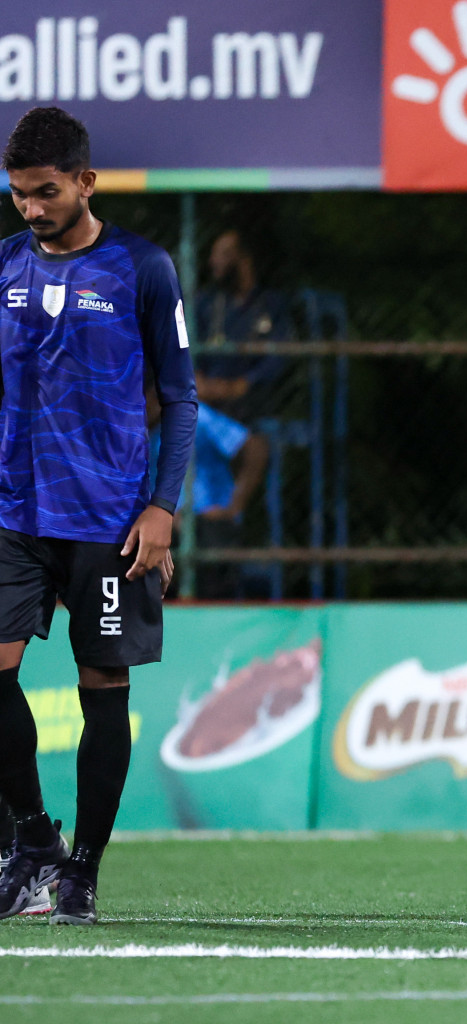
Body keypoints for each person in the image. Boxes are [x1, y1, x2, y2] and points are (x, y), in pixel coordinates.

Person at [0, 107, 194, 925]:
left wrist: (162, 507)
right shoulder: (4, 265)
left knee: (102, 688)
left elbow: (182, 399)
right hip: (14, 511)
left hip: (110, 521)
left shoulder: (143, 269)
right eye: (18, 196)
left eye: (46, 193)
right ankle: (34, 842)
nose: (32, 210)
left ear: (85, 181)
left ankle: (81, 869)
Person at [147, 391, 269, 600]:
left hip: (206, 522)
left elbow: (255, 448)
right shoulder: (127, 428)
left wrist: (233, 506)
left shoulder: (195, 417)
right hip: (159, 525)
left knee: (208, 574)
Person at [195, 228, 291, 418]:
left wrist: (245, 384)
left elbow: (279, 357)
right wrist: (199, 380)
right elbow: (188, 350)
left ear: (244, 260)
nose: (213, 261)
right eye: (213, 254)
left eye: (223, 254)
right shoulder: (205, 304)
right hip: (210, 401)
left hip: (256, 402)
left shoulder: (271, 304)